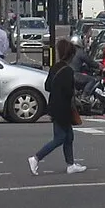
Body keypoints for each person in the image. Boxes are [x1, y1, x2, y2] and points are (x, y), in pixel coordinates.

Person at [28, 39, 86, 175]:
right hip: (63, 109)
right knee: (60, 138)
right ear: (71, 56)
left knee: (69, 136)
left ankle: (71, 165)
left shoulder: (55, 67)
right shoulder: (68, 71)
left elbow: (47, 86)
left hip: (53, 106)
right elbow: (69, 93)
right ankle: (36, 158)